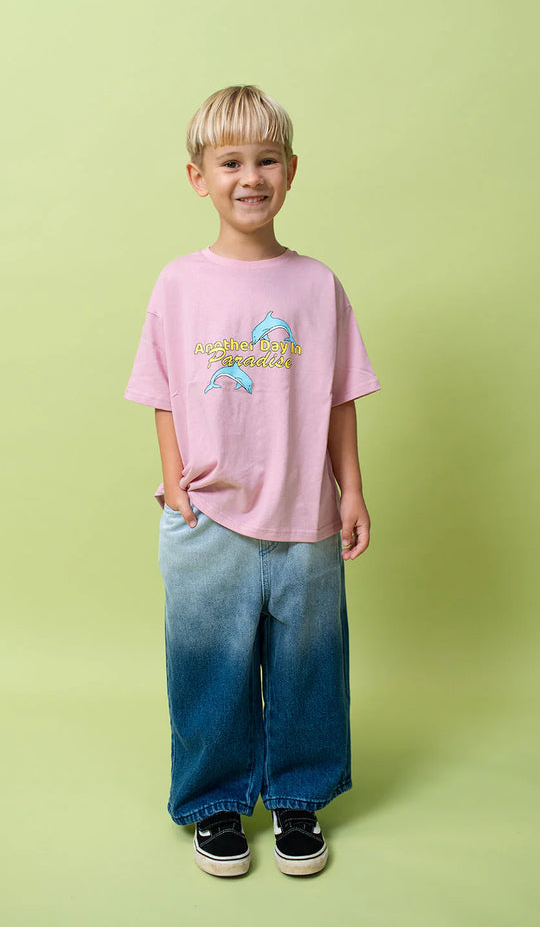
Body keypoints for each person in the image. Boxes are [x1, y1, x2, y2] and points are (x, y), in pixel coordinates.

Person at [123, 85, 381, 877]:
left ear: (291, 171)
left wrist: (352, 491)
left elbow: (339, 396)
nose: (249, 177)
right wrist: (174, 484)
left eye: (265, 160)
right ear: (198, 176)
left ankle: (298, 794)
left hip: (303, 513)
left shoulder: (316, 286)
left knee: (307, 666)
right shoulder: (179, 283)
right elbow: (161, 390)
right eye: (229, 162)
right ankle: (216, 802)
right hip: (209, 520)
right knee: (208, 665)